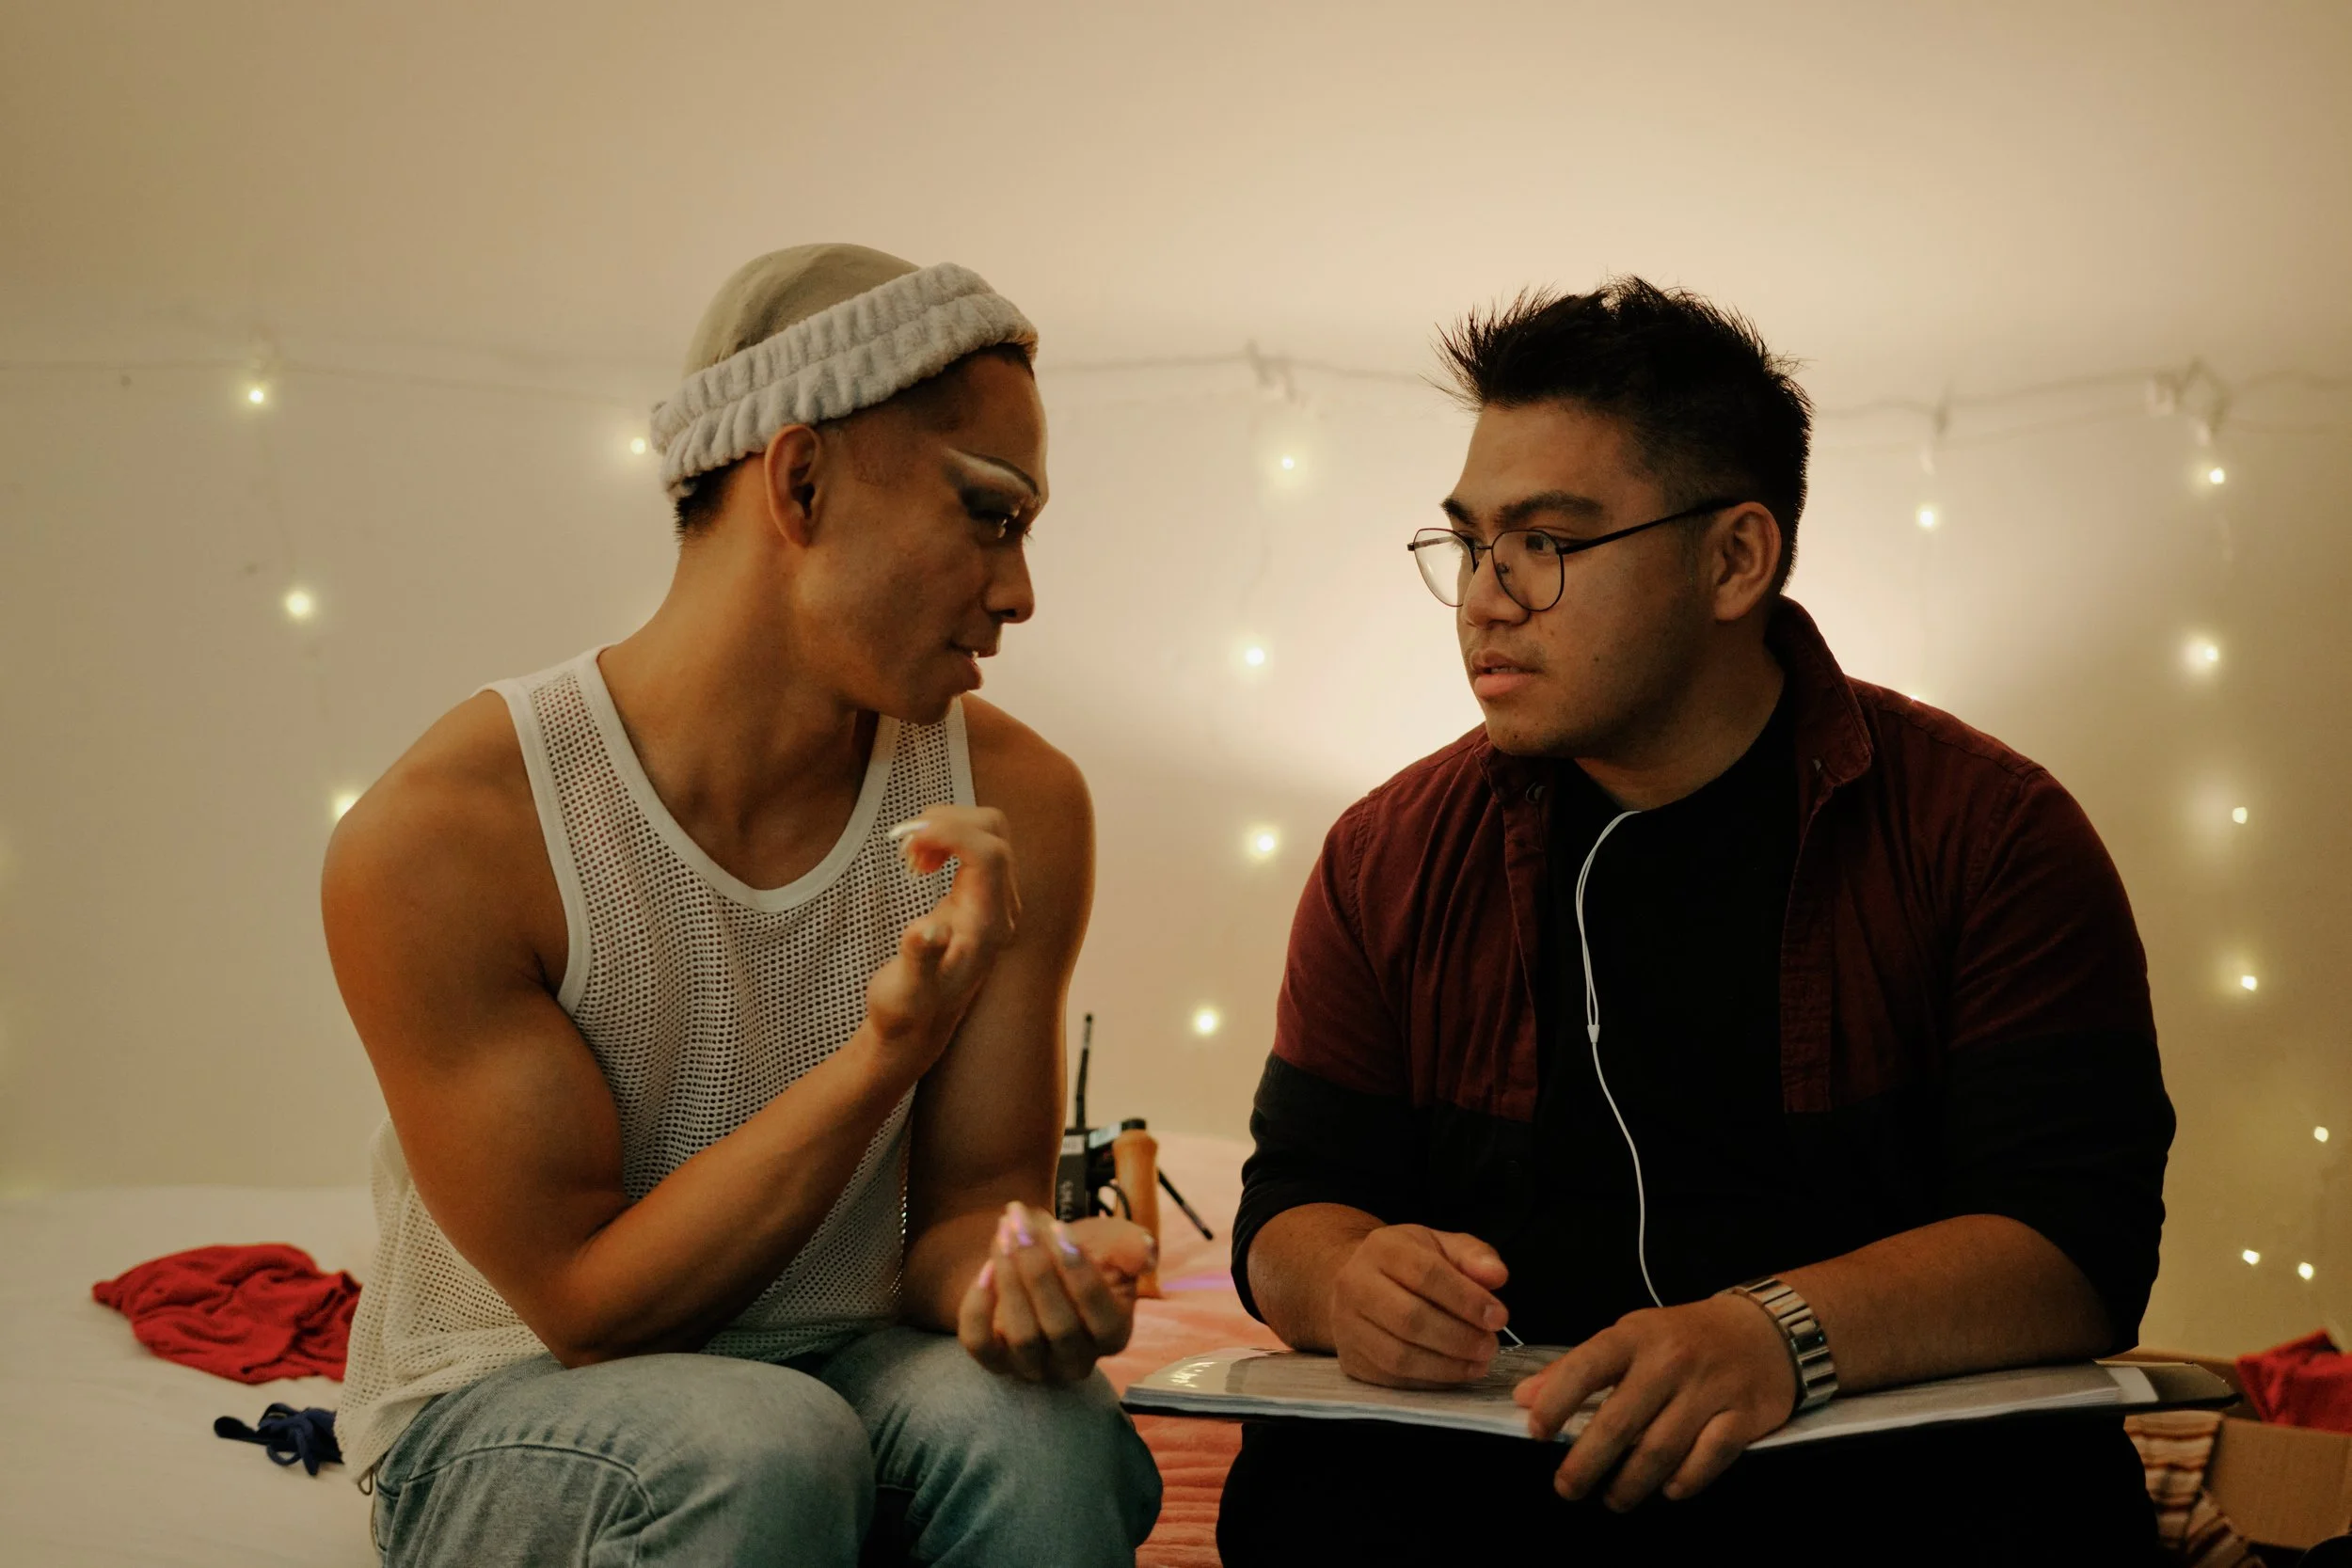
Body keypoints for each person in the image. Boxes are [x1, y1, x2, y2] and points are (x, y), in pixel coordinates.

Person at [1220, 278, 2175, 1564]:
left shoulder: (1990, 833)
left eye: (1545, 543)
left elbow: (2077, 1246)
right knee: (1307, 1501)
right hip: (1510, 1473)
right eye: (1469, 542)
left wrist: (1781, 1335)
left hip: (1872, 1478)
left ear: (1735, 560)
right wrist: (1351, 1281)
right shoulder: (1385, 858)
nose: (1485, 598)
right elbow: (1289, 1204)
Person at [323, 244, 1161, 1566]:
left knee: (1046, 1432)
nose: (1019, 593)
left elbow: (963, 1220)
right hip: (508, 1395)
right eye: (989, 514)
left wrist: (1026, 1282)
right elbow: (590, 1310)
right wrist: (886, 1050)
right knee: (766, 1442)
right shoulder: (449, 835)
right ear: (800, 481)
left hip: (846, 1365)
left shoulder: (1018, 802)